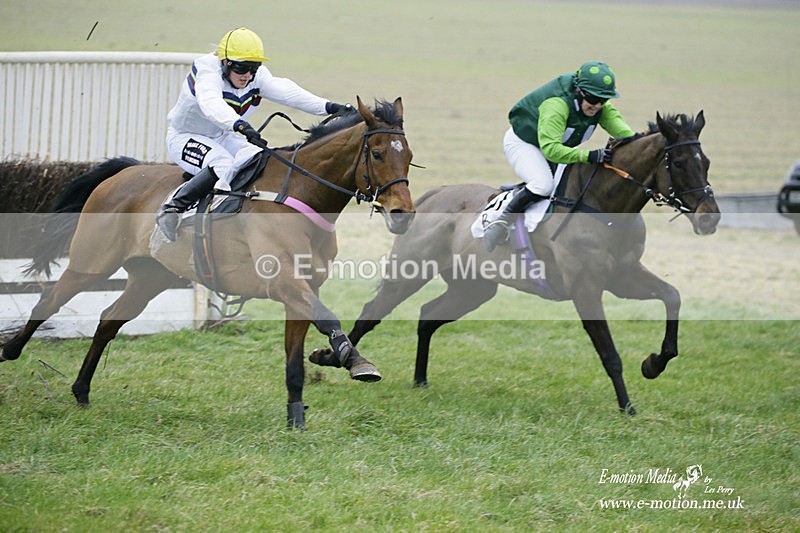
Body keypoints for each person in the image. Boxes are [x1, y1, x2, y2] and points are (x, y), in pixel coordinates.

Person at [156, 27, 350, 241]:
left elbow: (287, 93)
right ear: (225, 62)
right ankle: (172, 208)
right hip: (185, 137)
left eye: (253, 68)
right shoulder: (206, 70)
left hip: (224, 135)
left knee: (259, 159)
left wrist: (330, 107)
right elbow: (210, 103)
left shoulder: (254, 76)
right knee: (223, 163)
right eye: (241, 68)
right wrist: (239, 125)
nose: (247, 75)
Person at [483, 60, 636, 252]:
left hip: (557, 148)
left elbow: (627, 136)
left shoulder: (600, 107)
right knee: (543, 185)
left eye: (603, 100)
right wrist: (589, 155)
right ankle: (500, 222)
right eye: (593, 98)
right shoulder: (557, 105)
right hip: (525, 144)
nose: (597, 105)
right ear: (579, 91)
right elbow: (551, 149)